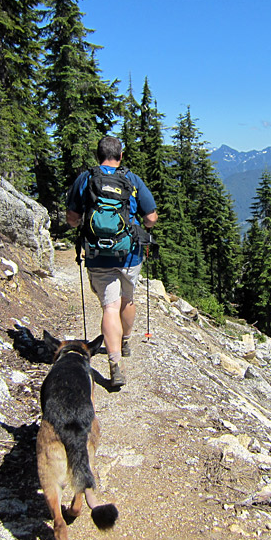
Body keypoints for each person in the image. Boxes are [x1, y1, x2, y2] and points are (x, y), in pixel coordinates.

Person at [66, 136, 158, 388]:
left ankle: (115, 364)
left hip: (97, 254)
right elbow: (151, 217)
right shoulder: (132, 179)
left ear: (98, 155)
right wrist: (142, 224)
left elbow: (72, 218)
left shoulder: (86, 179)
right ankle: (125, 340)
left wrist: (82, 224)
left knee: (110, 306)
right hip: (130, 253)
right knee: (127, 300)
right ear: (120, 155)